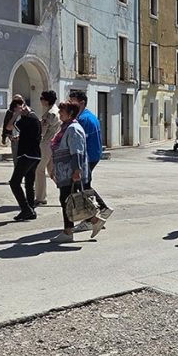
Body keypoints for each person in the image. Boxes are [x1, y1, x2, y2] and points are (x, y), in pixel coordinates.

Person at [49, 101, 106, 244]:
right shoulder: (66, 127)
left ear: (71, 113)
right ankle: (94, 220)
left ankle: (68, 231)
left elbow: (77, 152)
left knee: (68, 200)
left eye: (62, 111)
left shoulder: (73, 129)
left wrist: (76, 170)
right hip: (65, 170)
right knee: (71, 200)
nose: (60, 113)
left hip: (70, 171)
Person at [69, 91, 113, 222]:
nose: (70, 103)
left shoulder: (83, 119)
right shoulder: (89, 116)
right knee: (84, 185)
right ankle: (99, 212)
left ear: (81, 103)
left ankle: (94, 215)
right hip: (93, 155)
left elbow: (79, 141)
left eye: (72, 101)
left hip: (87, 156)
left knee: (82, 186)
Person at [9, 98, 42, 221]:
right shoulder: (34, 118)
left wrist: (15, 115)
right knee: (29, 183)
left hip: (27, 155)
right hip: (35, 155)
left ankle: (25, 208)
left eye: (17, 109)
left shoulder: (28, 118)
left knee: (14, 182)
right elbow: (30, 135)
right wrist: (20, 137)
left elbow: (9, 126)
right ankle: (31, 210)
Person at [34, 91, 60, 206]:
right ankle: (69, 192)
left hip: (46, 144)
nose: (40, 101)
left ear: (46, 100)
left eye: (41, 98)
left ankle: (40, 198)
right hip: (54, 144)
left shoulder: (50, 114)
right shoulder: (57, 111)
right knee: (52, 171)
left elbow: (42, 132)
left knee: (39, 169)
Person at [1, 94, 23, 161]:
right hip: (13, 136)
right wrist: (4, 137)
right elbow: (6, 125)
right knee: (16, 157)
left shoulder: (24, 112)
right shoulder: (10, 112)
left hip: (22, 137)